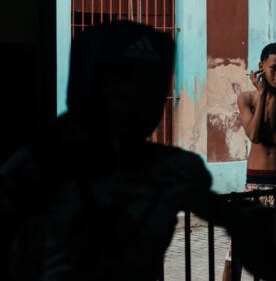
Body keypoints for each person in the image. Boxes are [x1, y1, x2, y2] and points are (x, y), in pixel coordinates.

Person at [0, 21, 245, 280]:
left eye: (145, 86)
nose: (132, 95)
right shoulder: (42, 162)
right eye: (119, 82)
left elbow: (251, 233)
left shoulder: (175, 170)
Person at [223, 42, 276, 281]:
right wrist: (262, 94)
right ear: (261, 67)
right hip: (254, 187)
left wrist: (268, 134)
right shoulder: (247, 98)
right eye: (273, 68)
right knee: (235, 258)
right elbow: (252, 135)